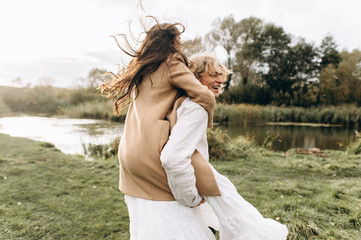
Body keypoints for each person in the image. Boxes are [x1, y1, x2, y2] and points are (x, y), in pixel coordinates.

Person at [99, 20, 222, 240]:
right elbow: (204, 96)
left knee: (145, 221)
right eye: (179, 41)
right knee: (175, 215)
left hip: (130, 151)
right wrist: (207, 118)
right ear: (171, 42)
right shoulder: (171, 62)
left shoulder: (144, 65)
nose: (182, 46)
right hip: (151, 151)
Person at [160, 52, 289, 239]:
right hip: (200, 176)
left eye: (221, 75)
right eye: (213, 75)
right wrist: (190, 196)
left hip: (202, 173)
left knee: (233, 214)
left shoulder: (182, 102)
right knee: (239, 220)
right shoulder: (196, 109)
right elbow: (174, 156)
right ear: (196, 77)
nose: (220, 80)